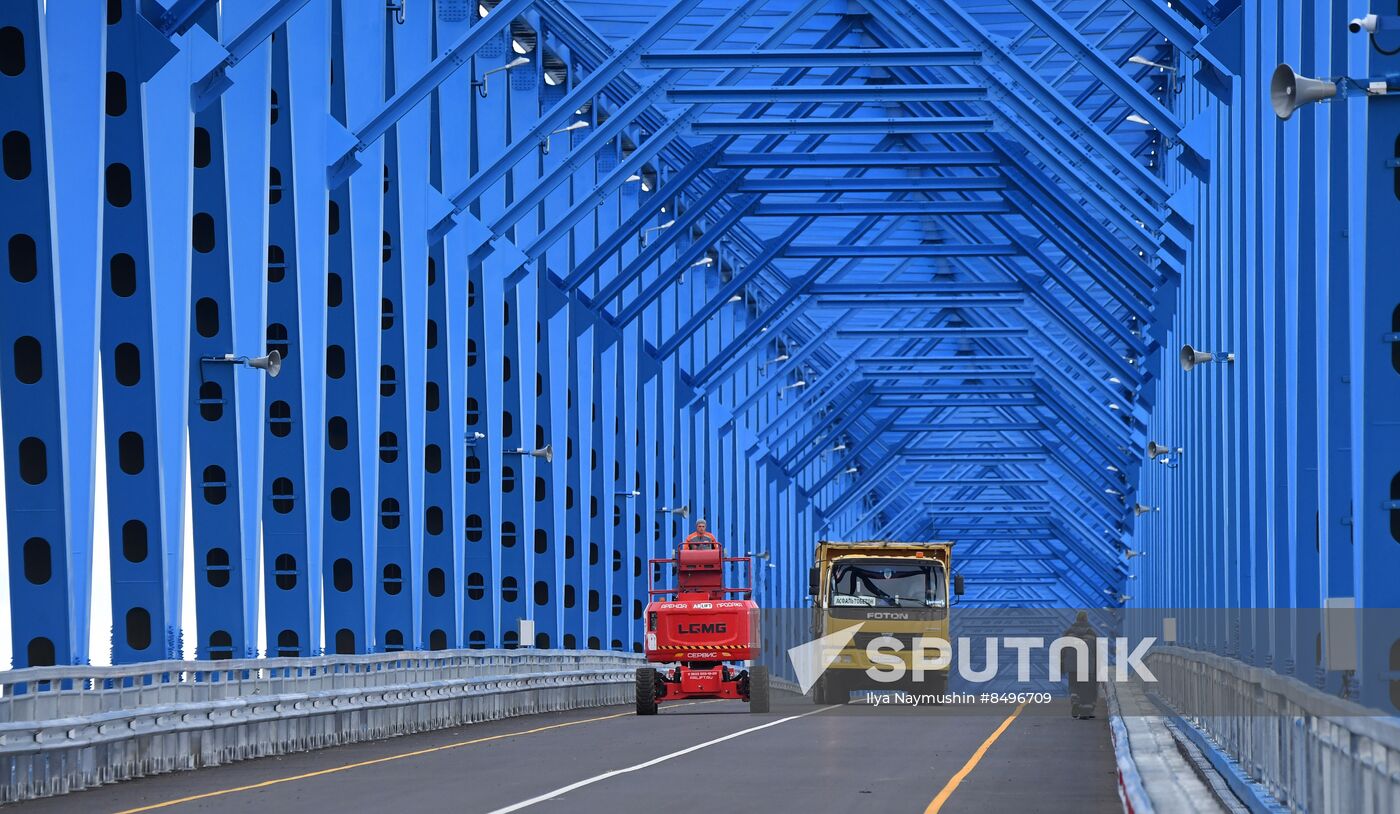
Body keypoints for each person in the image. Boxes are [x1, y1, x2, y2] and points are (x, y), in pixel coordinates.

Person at [1062, 611, 1099, 719]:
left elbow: (1062, 650)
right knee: (1086, 688)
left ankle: (1075, 701)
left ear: (1076, 619)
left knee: (1073, 685)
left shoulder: (1068, 633)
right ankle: (1084, 712)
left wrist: (1062, 664)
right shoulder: (1092, 633)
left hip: (1072, 665)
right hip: (1087, 665)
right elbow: (1097, 652)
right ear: (1086, 619)